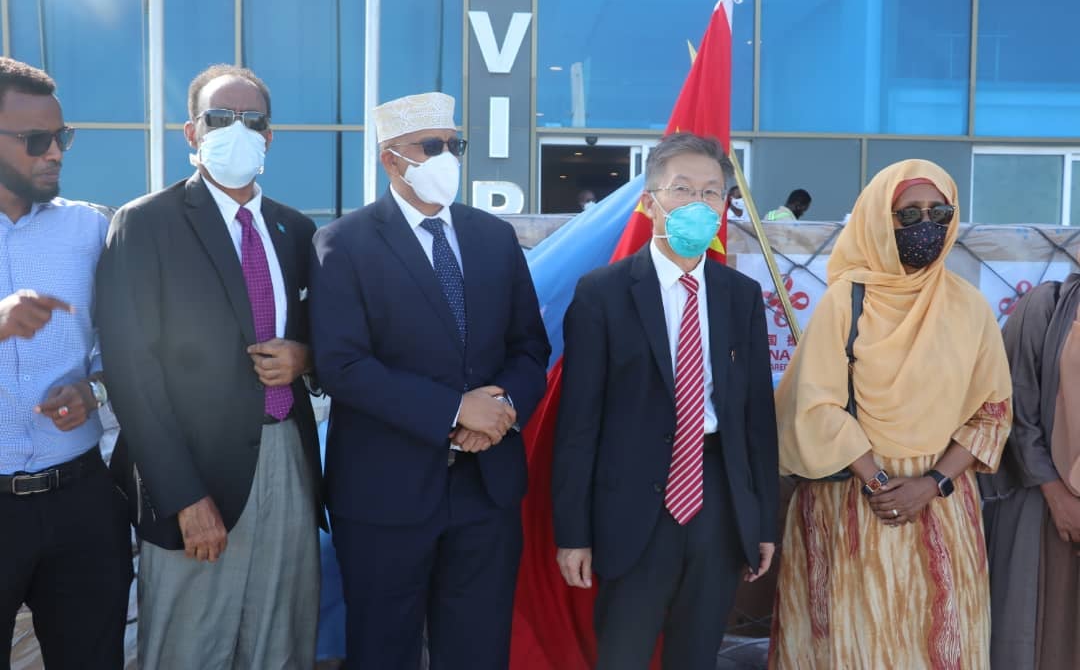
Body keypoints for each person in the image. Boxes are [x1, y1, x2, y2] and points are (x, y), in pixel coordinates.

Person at [310, 91, 550, 670]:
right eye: (432, 146)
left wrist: (499, 409)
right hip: (384, 493)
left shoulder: (493, 237)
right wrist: (454, 411)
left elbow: (529, 348)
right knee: (382, 651)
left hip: (485, 489)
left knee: (477, 650)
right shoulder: (344, 243)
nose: (448, 157)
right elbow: (343, 365)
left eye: (454, 145)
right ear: (391, 159)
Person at [95, 64, 322, 669]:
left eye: (252, 120)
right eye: (220, 118)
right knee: (190, 647)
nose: (237, 131)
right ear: (191, 132)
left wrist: (305, 356)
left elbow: (325, 335)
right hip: (193, 472)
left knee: (282, 641)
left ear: (269, 136)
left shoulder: (296, 230)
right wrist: (185, 497)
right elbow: (132, 374)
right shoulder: (145, 223)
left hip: (286, 458)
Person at [770, 159, 1012, 668]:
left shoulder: (969, 307)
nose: (927, 226)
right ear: (881, 220)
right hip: (855, 505)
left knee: (942, 644)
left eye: (940, 213)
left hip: (942, 507)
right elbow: (815, 405)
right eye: (910, 214)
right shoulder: (845, 301)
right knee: (855, 645)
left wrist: (931, 485)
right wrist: (883, 485)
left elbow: (991, 414)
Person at [552, 132, 778, 670]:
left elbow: (755, 420)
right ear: (649, 202)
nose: (699, 203)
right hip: (631, 507)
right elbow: (579, 423)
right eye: (682, 189)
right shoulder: (602, 293)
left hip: (717, 500)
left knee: (697, 654)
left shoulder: (741, 295)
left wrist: (764, 523)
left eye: (711, 192)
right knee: (624, 654)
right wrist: (573, 534)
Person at [0, 57, 131, 670]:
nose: (54, 153)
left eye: (61, 136)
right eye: (36, 140)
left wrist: (93, 391)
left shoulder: (90, 229)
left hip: (81, 500)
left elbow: (122, 347)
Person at [981, 272, 1080, 669]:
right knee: (1041, 637)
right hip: (1047, 507)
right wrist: (1057, 496)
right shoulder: (1047, 305)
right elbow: (1013, 407)